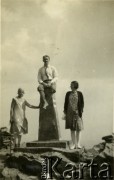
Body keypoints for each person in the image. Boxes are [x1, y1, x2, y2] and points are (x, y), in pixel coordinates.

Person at [64, 81, 84, 149]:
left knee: (79, 128)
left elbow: (82, 103)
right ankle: (73, 144)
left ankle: (78, 144)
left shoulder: (80, 93)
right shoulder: (68, 93)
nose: (70, 86)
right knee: (72, 129)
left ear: (75, 86)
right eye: (70, 85)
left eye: (71, 85)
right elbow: (65, 103)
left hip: (78, 113)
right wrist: (65, 113)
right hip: (69, 113)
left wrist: (80, 111)